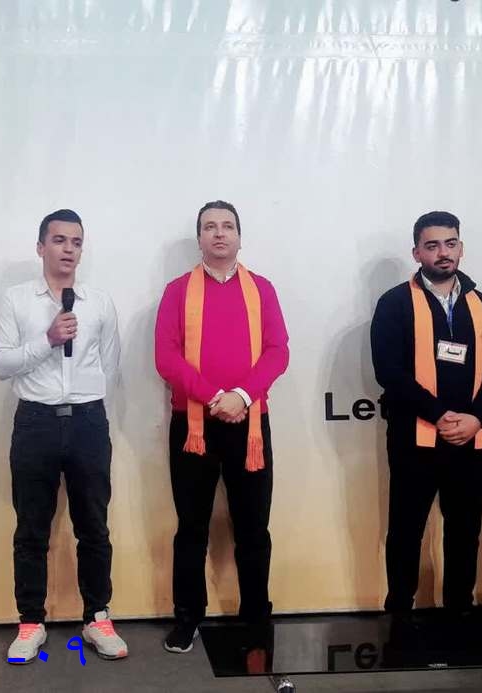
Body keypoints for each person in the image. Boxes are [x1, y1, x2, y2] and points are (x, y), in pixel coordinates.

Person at [0, 209, 126, 662]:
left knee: (94, 526)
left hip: (88, 421)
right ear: (41, 246)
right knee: (32, 528)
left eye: (76, 242)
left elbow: (110, 365)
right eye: (59, 240)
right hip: (36, 422)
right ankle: (31, 621)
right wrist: (47, 340)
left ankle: (97, 617)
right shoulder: (16, 300)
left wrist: (86, 402)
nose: (69, 249)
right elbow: (1, 364)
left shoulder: (98, 302)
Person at [154, 200, 290, 653]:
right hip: (193, 427)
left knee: (253, 526)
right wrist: (216, 398)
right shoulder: (177, 291)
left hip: (250, 427)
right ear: (199, 238)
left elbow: (278, 351)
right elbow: (166, 357)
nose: (219, 233)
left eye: (227, 226)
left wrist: (242, 396)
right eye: (209, 226)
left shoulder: (262, 289)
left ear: (238, 236)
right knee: (191, 527)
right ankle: (187, 617)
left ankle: (256, 615)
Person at [371, 211, 482, 613]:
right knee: (405, 531)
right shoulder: (395, 303)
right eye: (432, 245)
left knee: (465, 533)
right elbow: (388, 371)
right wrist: (439, 415)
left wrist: (476, 418)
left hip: (472, 439)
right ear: (417, 252)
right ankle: (399, 612)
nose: (442, 253)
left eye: (450, 243)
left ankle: (459, 612)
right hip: (414, 438)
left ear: (461, 248)